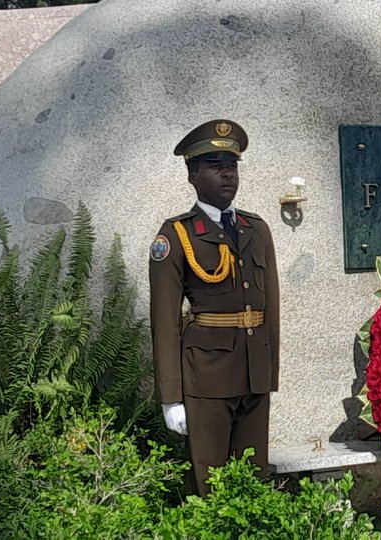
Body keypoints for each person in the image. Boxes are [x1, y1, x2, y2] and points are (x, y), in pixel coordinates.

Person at [149, 119, 280, 495]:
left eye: (232, 165)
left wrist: (269, 373)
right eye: (214, 165)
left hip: (253, 373)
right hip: (205, 376)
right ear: (192, 175)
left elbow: (270, 307)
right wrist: (171, 397)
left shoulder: (257, 228)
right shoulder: (176, 235)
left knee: (255, 483)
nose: (227, 173)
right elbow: (164, 321)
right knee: (211, 486)